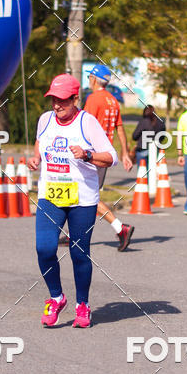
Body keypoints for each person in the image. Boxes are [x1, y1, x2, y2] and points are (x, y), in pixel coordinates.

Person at [28, 73, 118, 329]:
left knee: (79, 253)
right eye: (54, 99)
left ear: (75, 98)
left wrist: (88, 155)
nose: (57, 105)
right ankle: (56, 297)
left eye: (63, 100)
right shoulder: (45, 119)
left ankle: (82, 304)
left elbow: (111, 157)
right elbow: (40, 145)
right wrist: (36, 160)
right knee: (44, 249)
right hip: (50, 195)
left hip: (83, 198)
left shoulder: (87, 122)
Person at [83, 64, 134, 250]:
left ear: (94, 79)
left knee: (89, 196)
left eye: (89, 77)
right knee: (84, 196)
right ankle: (74, 235)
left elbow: (84, 127)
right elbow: (119, 127)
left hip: (91, 155)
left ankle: (120, 228)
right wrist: (125, 153)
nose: (88, 80)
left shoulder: (93, 99)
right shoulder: (113, 100)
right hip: (105, 154)